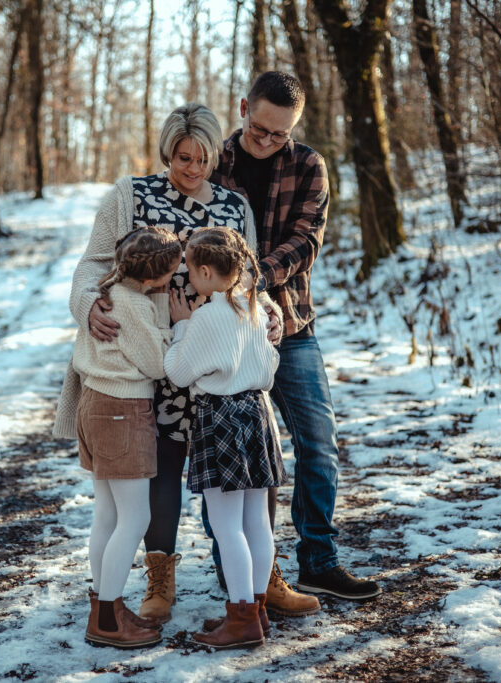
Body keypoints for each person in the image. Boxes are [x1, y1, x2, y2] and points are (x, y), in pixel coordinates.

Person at [54, 103, 302, 624]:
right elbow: (92, 266)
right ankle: (159, 580)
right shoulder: (131, 195)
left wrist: (272, 315)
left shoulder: (235, 206)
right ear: (168, 152)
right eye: (182, 158)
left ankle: (262, 582)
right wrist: (88, 305)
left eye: (202, 159)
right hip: (156, 364)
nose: (192, 169)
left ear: (216, 154)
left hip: (222, 368)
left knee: (245, 480)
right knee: (160, 471)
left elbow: (250, 279)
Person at [208, 71, 381, 601]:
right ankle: (239, 573)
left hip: (291, 323)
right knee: (232, 453)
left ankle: (318, 561)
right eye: (259, 129)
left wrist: (252, 276)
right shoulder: (212, 159)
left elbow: (307, 239)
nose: (266, 141)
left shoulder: (308, 164)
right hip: (226, 332)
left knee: (318, 443)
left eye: (279, 134)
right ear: (243, 108)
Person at [163, 227, 288, 649]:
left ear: (203, 271)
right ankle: (255, 610)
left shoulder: (205, 317)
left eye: (189, 272)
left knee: (225, 525)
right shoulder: (254, 308)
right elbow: (270, 366)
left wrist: (182, 328)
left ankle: (241, 619)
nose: (188, 280)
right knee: (257, 521)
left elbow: (178, 373)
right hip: (258, 412)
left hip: (220, 417)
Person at [62, 226, 182, 649]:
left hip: (95, 405)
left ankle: (105, 606)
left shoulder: (109, 289)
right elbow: (157, 363)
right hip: (122, 411)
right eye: (171, 270)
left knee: (108, 517)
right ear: (153, 278)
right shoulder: (132, 303)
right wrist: (175, 323)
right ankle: (108, 618)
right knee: (136, 519)